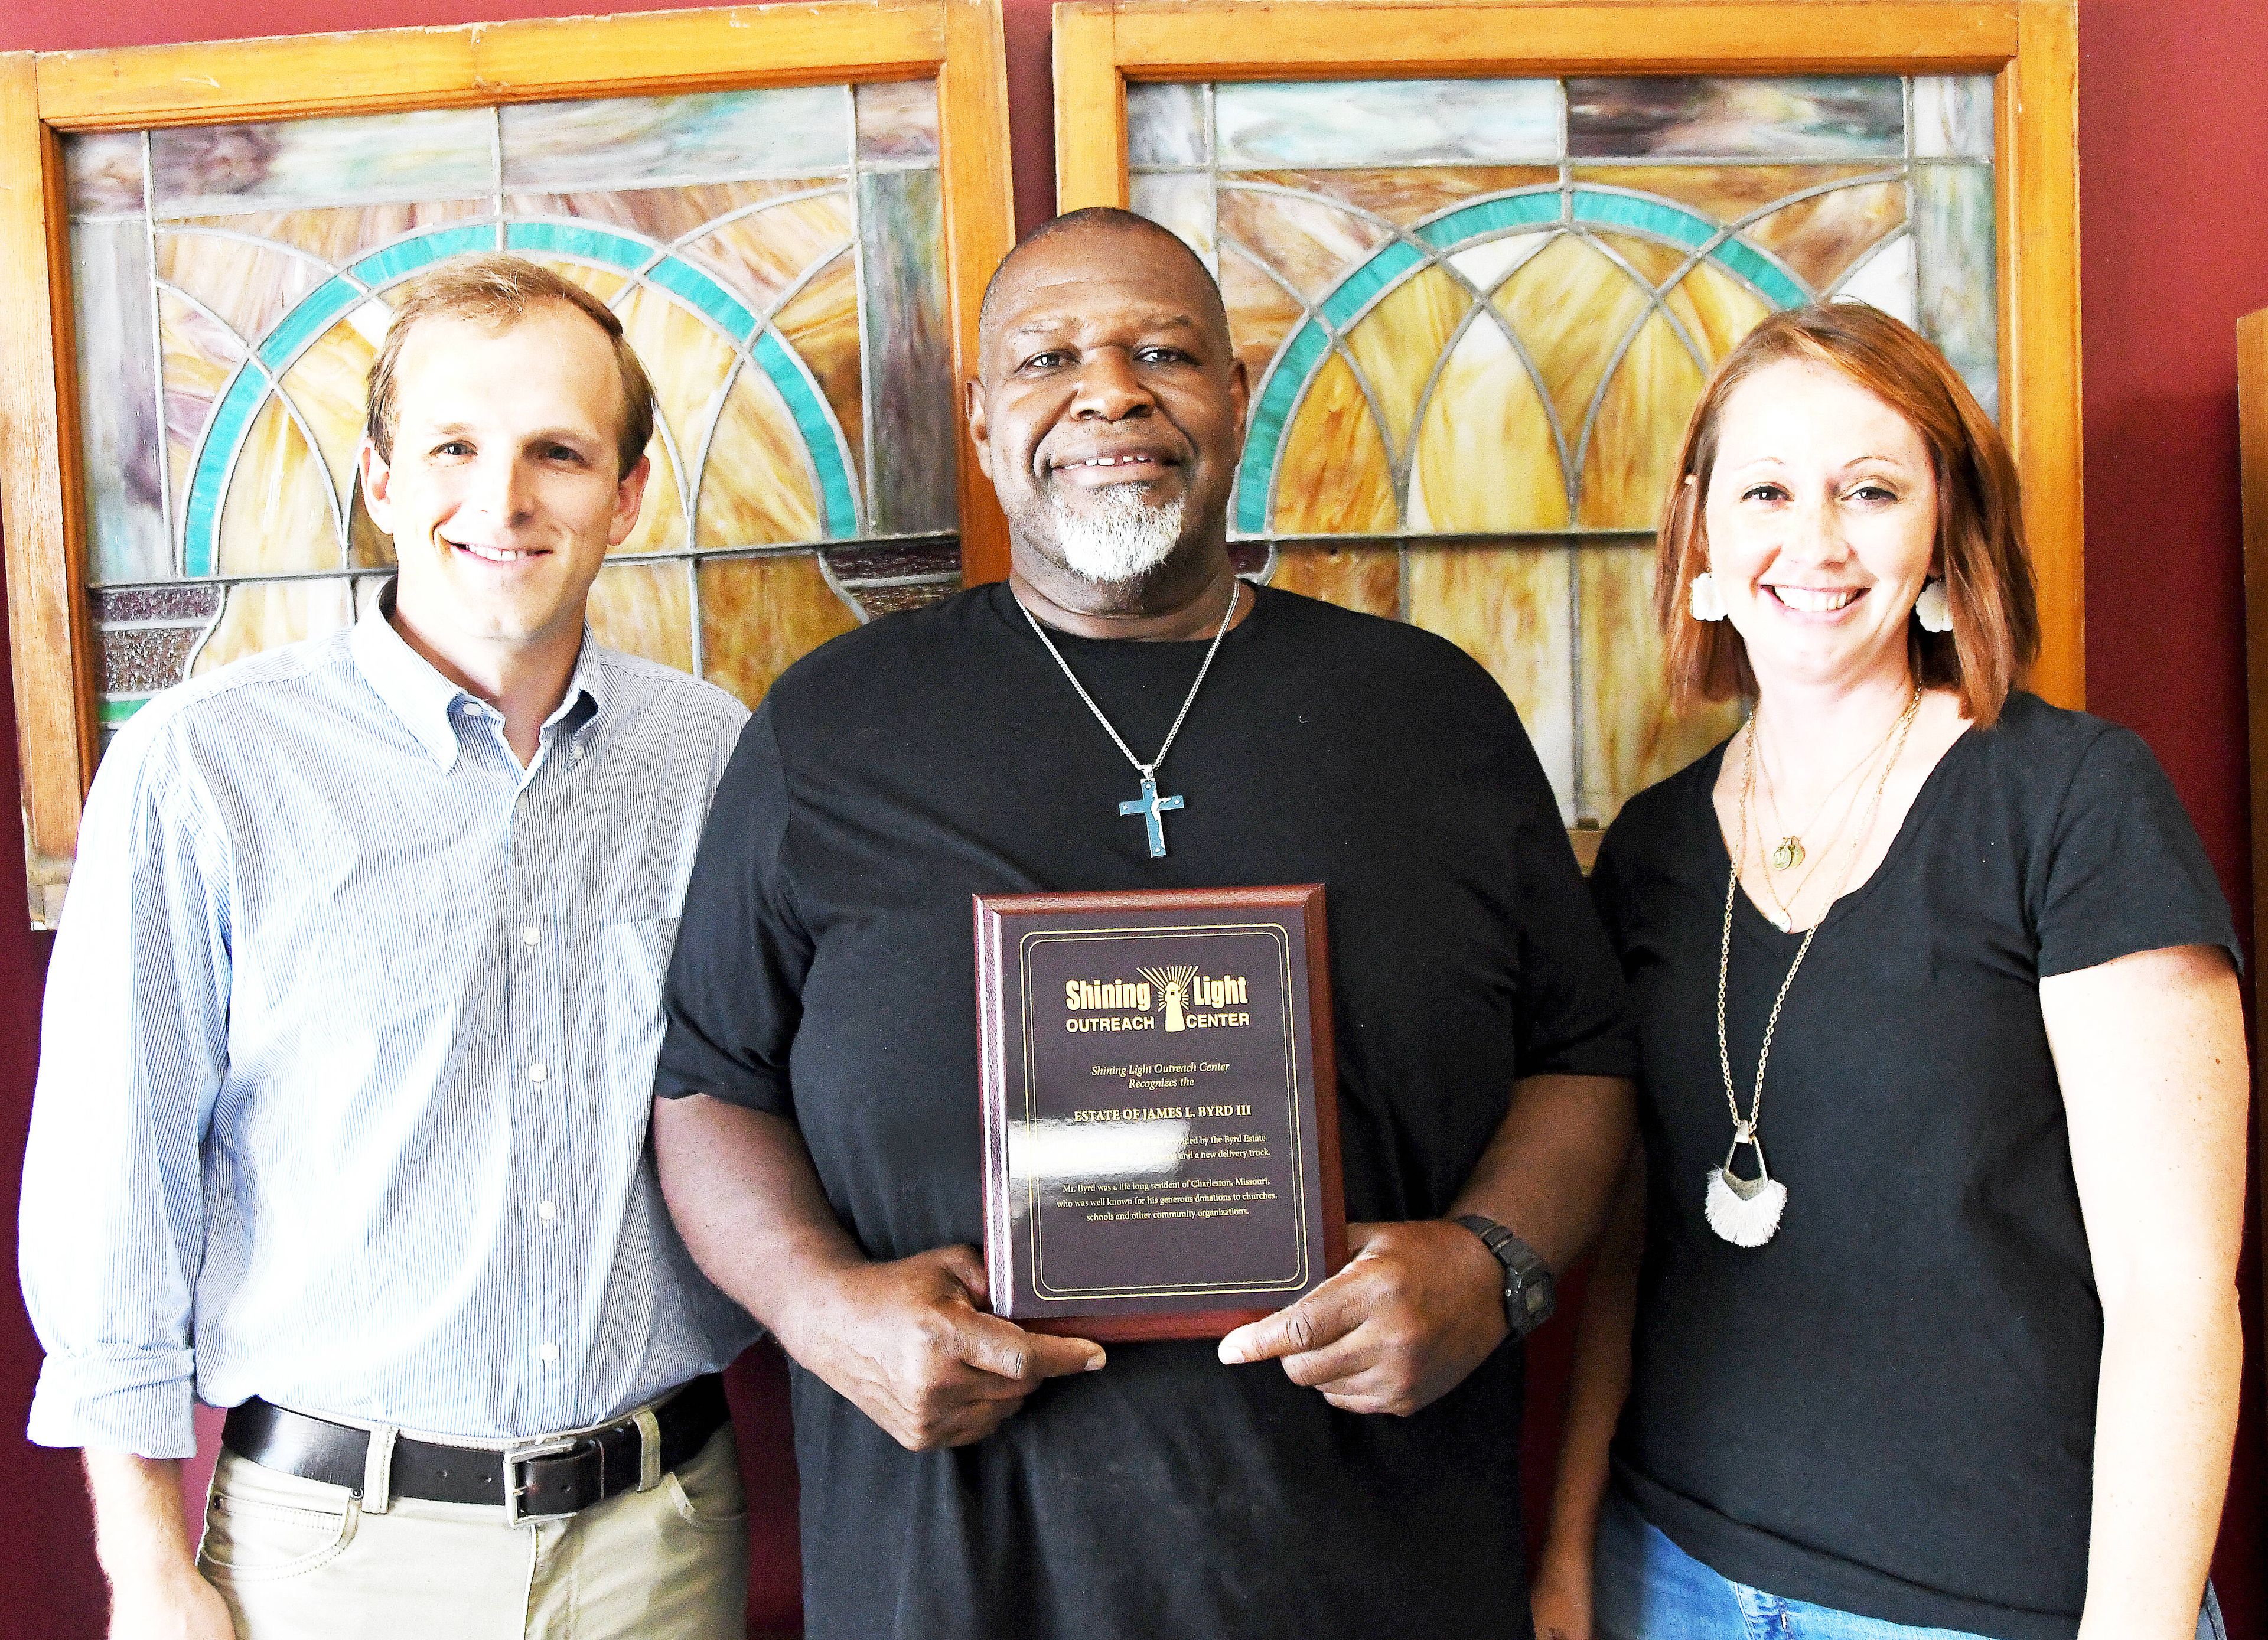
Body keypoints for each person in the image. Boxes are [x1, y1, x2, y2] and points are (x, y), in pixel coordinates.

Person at [650, 206, 1637, 1639]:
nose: (1110, 390)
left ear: (1236, 401)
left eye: (1164, 350)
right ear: (984, 423)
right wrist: (820, 1312)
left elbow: (1585, 1055)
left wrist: (1494, 1268)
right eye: (1049, 357)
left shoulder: (1431, 715)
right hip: (957, 1576)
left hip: (1374, 1570)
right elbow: (707, 1087)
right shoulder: (832, 728)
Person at [19, 254, 758, 1640]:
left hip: (665, 1540)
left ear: (630, 494)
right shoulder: (202, 768)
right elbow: (113, 1185)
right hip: (332, 1561)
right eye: (453, 449)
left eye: (558, 450)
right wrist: (145, 1567)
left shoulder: (715, 758)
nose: (502, 499)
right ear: (377, 479)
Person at [1532, 304, 2246, 1640]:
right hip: (1673, 1571)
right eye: (1767, 490)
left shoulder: (2072, 801)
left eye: (1870, 490)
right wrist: (1570, 1554)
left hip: (1994, 1603)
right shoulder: (1651, 849)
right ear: (1701, 535)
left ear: (1942, 532)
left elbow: (2177, 1291)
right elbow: (1634, 1254)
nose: (1814, 541)